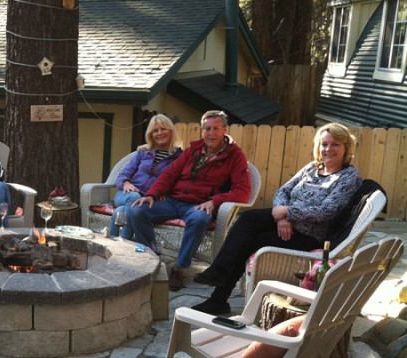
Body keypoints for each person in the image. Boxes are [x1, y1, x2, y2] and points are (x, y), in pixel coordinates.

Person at [191, 122, 363, 315]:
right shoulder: (312, 168)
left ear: (346, 147)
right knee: (247, 219)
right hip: (288, 222)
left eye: (335, 144)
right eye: (324, 144)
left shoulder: (348, 177)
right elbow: (284, 190)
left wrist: (287, 212)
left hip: (309, 235)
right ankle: (219, 276)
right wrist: (283, 219)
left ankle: (218, 296)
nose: (328, 149)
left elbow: (326, 212)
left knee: (250, 240)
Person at [129, 110, 251, 291]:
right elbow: (170, 174)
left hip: (199, 205)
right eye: (207, 129)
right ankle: (152, 259)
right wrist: (151, 194)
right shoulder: (193, 150)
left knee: (199, 219)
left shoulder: (235, 155)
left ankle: (179, 267)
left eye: (216, 129)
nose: (211, 133)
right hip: (174, 200)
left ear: (224, 129)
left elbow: (243, 192)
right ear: (202, 131)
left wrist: (215, 201)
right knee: (137, 210)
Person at [109, 114, 182, 239]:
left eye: (163, 129)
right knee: (134, 198)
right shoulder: (143, 152)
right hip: (126, 194)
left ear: (171, 131)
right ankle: (125, 242)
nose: (159, 133)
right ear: (151, 135)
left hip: (150, 199)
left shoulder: (180, 157)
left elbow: (180, 181)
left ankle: (111, 241)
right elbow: (124, 174)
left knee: (120, 212)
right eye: (155, 130)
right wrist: (126, 183)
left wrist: (165, 191)